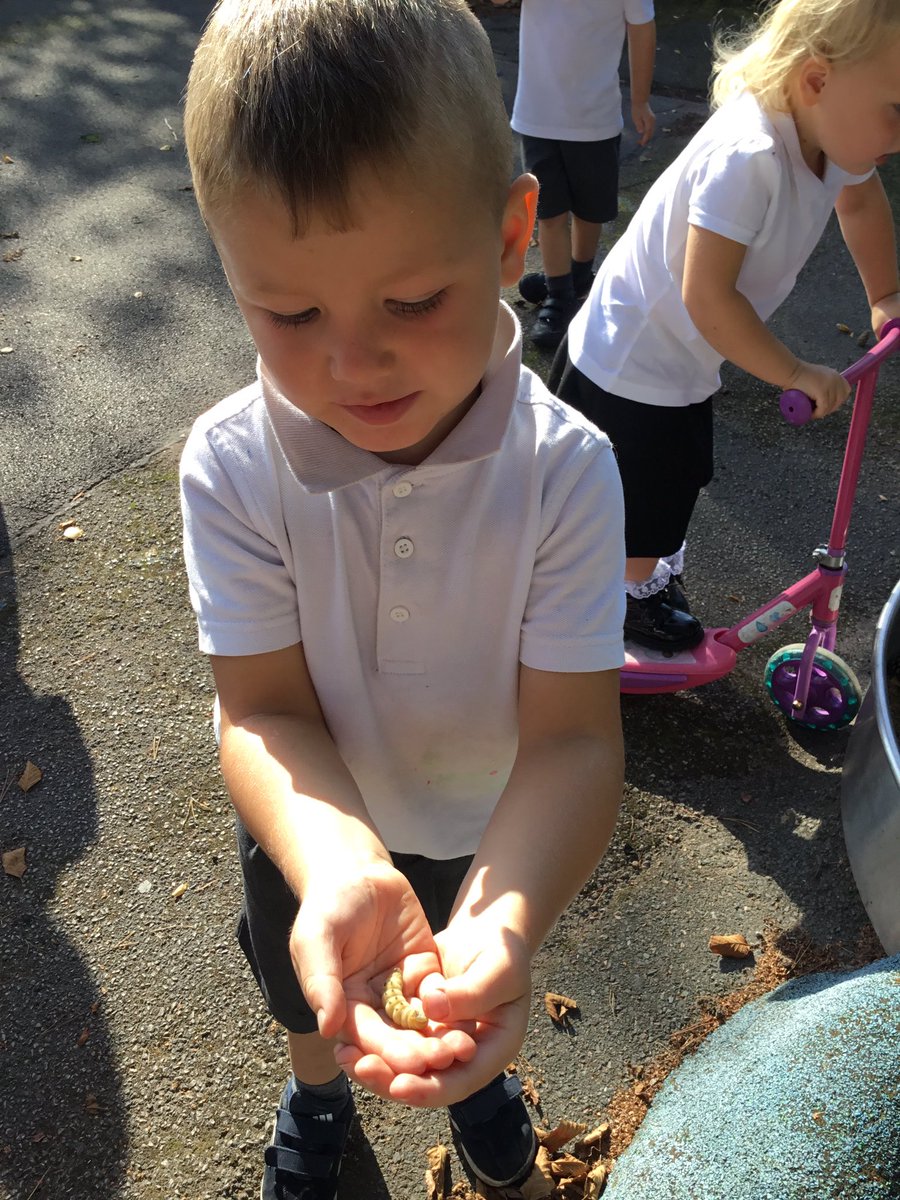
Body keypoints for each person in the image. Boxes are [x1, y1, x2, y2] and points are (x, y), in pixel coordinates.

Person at [179, 1, 627, 1197]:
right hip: (312, 825)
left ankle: (477, 1092)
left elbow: (577, 739)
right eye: (291, 314)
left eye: (412, 301)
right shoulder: (230, 463)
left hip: (490, 825)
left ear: (511, 234)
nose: (353, 363)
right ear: (233, 278)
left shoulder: (568, 469)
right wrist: (334, 865)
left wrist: (507, 927)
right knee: (306, 982)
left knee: (460, 978)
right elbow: (262, 713)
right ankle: (316, 1094)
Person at [550, 0, 900, 651]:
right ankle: (626, 599)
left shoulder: (827, 132)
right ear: (816, 80)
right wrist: (794, 372)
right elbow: (707, 297)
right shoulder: (751, 159)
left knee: (678, 474)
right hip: (635, 358)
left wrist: (886, 293)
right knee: (642, 496)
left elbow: (860, 200)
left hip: (684, 355)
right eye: (897, 110)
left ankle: (633, 573)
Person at [496, 0, 656, 351]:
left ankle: (578, 277)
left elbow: (642, 28)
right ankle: (559, 292)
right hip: (538, 114)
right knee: (548, 212)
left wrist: (640, 101)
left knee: (590, 210)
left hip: (594, 118)